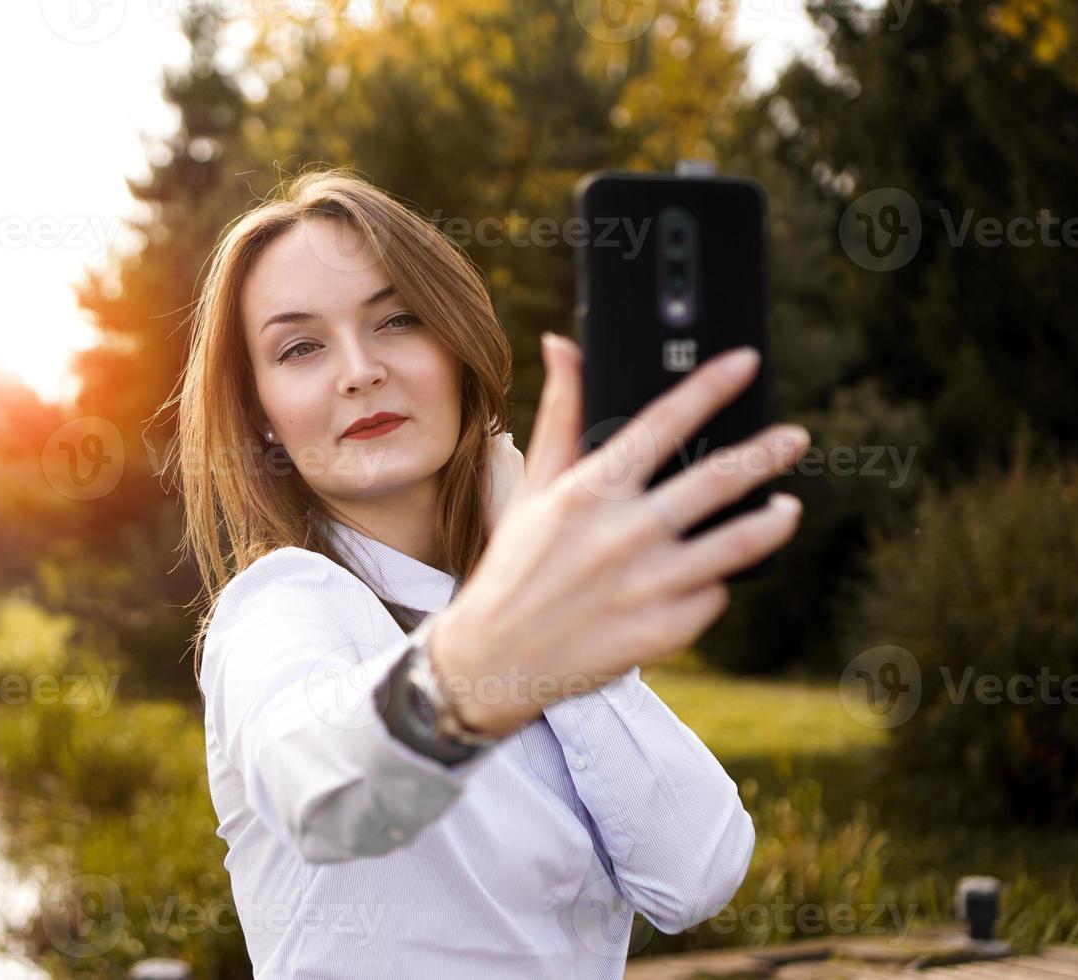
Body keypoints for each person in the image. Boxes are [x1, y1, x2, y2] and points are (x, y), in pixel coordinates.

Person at [166, 166, 811, 978]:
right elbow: (317, 789)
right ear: (261, 412)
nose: (358, 369)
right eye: (300, 347)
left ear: (455, 343)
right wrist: (493, 657)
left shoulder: (523, 607)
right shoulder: (283, 600)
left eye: (397, 319)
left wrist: (537, 602)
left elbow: (698, 874)